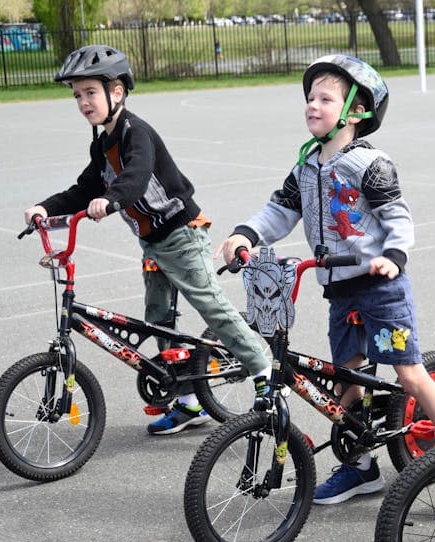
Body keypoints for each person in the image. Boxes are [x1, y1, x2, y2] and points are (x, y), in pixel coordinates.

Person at [218, 54, 435, 505]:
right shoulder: (307, 163)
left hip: (380, 287)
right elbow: (280, 211)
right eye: (310, 97)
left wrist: (393, 255)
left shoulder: (370, 163)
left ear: (355, 111)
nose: (312, 105)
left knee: (409, 375)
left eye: (325, 98)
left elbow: (398, 218)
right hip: (339, 290)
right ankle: (360, 467)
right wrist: (245, 233)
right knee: (347, 381)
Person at [23, 45, 271, 436]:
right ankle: (190, 402)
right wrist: (45, 208)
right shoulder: (103, 143)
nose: (83, 102)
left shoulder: (137, 133)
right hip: (153, 243)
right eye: (76, 95)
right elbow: (84, 188)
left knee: (212, 306)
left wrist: (113, 199)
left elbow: (136, 175)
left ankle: (263, 369)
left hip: (182, 236)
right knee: (160, 322)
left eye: (90, 92)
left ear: (117, 92)